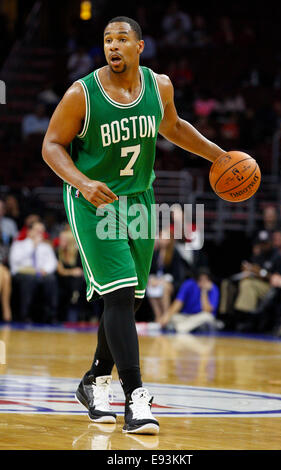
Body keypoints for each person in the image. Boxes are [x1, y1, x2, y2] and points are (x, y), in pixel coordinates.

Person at [42, 16, 226, 435]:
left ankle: (92, 382)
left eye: (122, 38)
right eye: (107, 39)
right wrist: (83, 182)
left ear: (139, 47)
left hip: (140, 200)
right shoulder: (81, 94)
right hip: (94, 201)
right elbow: (50, 144)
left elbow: (174, 127)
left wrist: (219, 156)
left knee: (129, 301)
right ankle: (136, 398)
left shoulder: (159, 86)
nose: (113, 45)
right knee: (121, 293)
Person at [9, 221, 58, 323]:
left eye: (42, 231)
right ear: (29, 231)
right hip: (22, 273)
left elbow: (52, 262)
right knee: (30, 279)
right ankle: (25, 315)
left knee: (51, 279)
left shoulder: (46, 246)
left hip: (40, 274)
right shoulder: (19, 244)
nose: (39, 233)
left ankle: (50, 315)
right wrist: (32, 246)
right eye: (37, 230)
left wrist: (45, 270)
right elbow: (15, 260)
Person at [159, 268, 220, 333]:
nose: (203, 282)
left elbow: (207, 310)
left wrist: (204, 292)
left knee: (207, 316)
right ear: (196, 280)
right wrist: (166, 316)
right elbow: (178, 303)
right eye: (200, 280)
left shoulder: (213, 288)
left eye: (205, 280)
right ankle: (187, 327)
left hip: (201, 318)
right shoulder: (189, 284)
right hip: (187, 316)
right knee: (173, 317)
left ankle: (180, 328)